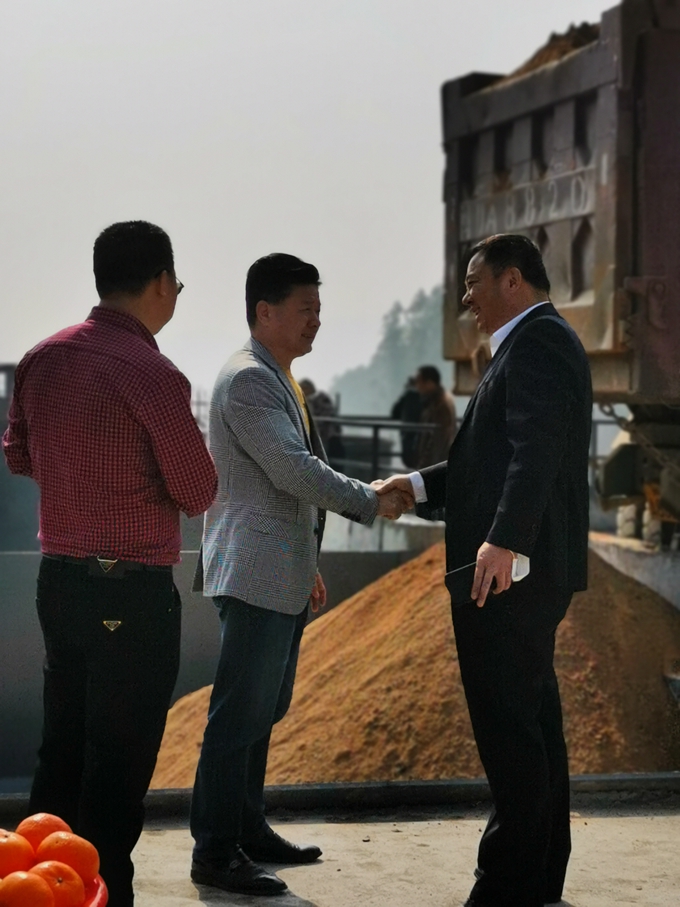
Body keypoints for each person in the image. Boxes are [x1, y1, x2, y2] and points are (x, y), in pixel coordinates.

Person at [2, 221, 218, 907]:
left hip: (59, 579)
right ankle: (104, 892)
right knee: (118, 762)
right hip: (131, 588)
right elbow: (199, 490)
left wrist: (78, 481)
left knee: (61, 746)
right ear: (161, 282)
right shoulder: (154, 374)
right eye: (177, 282)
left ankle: (36, 886)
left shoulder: (41, 358)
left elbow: (18, 455)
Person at [376, 234, 592, 907]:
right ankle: (538, 876)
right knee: (532, 724)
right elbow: (489, 459)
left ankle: (507, 884)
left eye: (474, 282)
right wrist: (417, 484)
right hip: (524, 566)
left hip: (511, 571)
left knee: (508, 730)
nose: (466, 296)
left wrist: (503, 541)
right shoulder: (528, 344)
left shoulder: (539, 343)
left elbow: (536, 452)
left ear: (512, 280)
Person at [190, 252, 411, 896]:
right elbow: (292, 469)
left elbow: (289, 479)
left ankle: (247, 829)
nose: (317, 320)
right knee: (239, 715)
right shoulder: (249, 380)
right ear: (265, 311)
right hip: (254, 572)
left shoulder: (277, 376)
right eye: (305, 309)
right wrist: (370, 499)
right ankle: (214, 851)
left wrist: (307, 563)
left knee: (264, 708)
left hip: (278, 569)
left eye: (319, 308)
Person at [413, 364, 457, 468]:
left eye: (419, 381)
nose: (417, 386)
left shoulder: (441, 404)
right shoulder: (435, 401)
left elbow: (439, 440)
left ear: (429, 383)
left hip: (435, 464)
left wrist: (424, 467)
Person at [299, 378, 345, 469]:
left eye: (304, 389)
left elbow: (326, 417)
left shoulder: (319, 398)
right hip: (322, 439)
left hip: (329, 437)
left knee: (333, 465)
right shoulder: (308, 400)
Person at [390, 377, 422, 468]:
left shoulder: (407, 396)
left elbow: (394, 413)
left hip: (407, 432)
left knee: (408, 458)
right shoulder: (424, 397)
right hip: (420, 433)